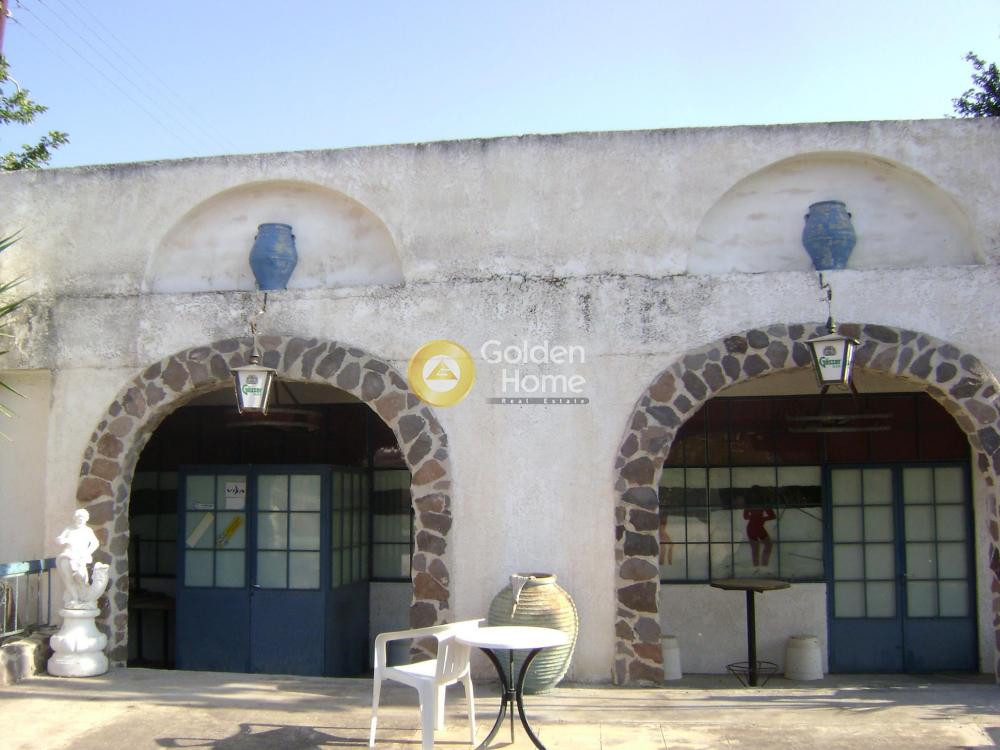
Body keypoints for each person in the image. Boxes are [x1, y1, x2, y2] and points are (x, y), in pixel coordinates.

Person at [55, 509, 101, 607]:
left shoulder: (87, 531)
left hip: (80, 558)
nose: (80, 520)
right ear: (74, 518)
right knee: (68, 577)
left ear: (86, 519)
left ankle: (83, 598)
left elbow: (95, 543)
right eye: (78, 518)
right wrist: (60, 540)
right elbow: (59, 540)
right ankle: (74, 598)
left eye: (82, 518)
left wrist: (87, 552)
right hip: (67, 555)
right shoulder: (69, 529)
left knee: (81, 577)